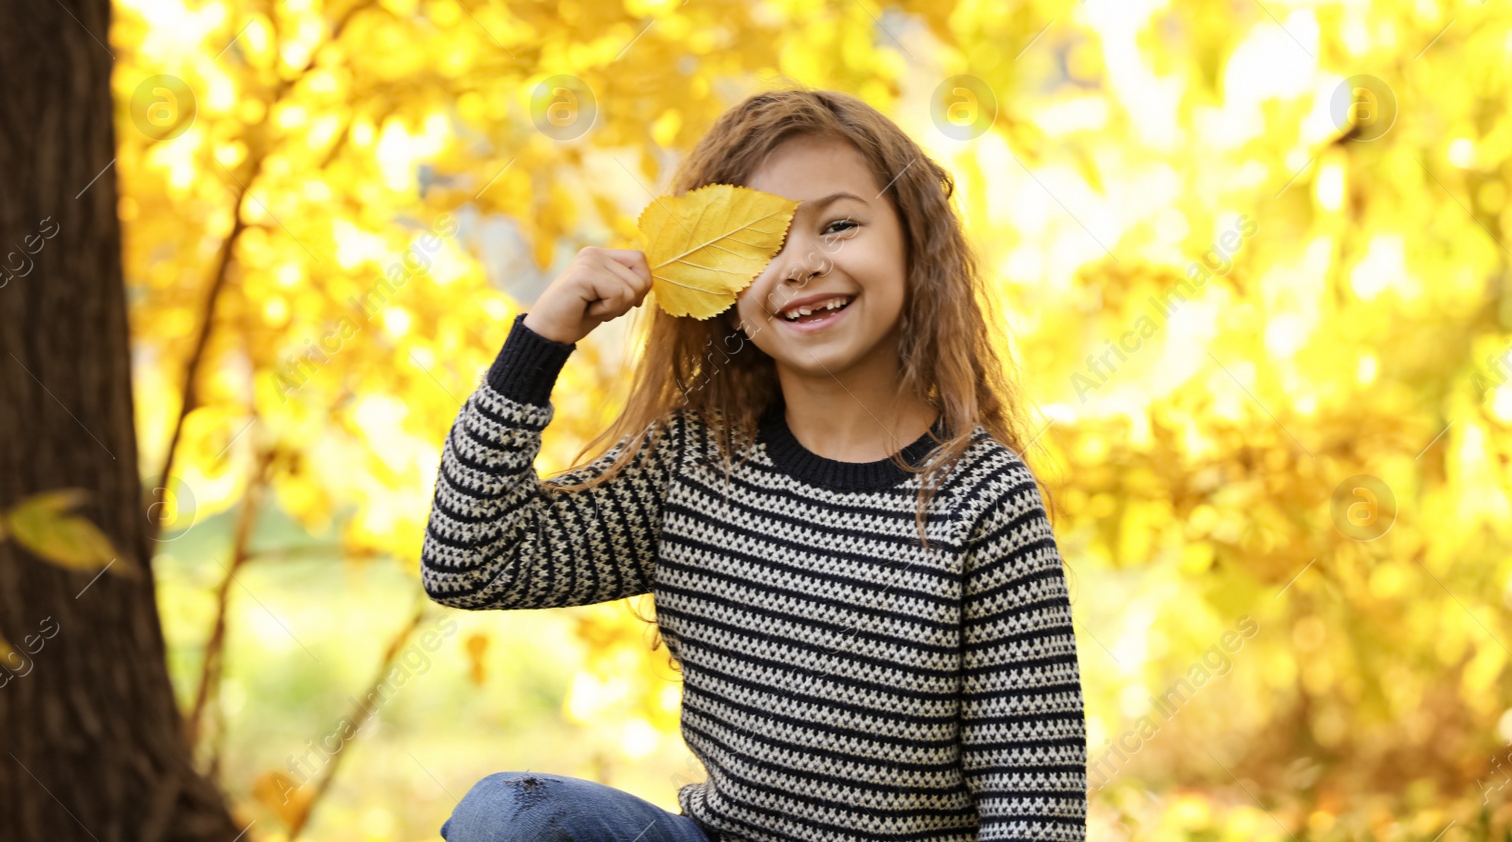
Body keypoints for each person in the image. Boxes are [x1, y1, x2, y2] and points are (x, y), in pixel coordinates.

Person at [422, 88, 1087, 841]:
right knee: (509, 813)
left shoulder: (984, 499)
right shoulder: (695, 461)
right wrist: (539, 343)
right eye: (760, 246)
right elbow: (471, 562)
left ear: (913, 242)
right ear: (721, 288)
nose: (801, 264)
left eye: (839, 224)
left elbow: (1034, 805)